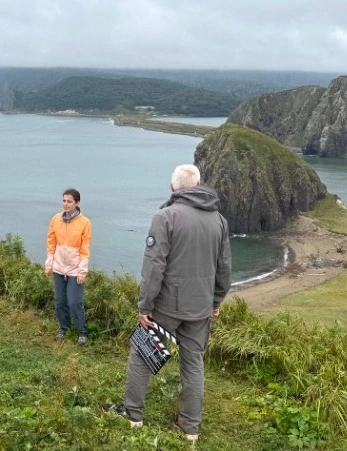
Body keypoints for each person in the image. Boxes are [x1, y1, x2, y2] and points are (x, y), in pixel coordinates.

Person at [106, 164, 231, 442]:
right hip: (200, 307)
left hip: (166, 306)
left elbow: (154, 266)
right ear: (198, 185)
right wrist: (217, 299)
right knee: (193, 362)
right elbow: (224, 266)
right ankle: (190, 428)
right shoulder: (219, 220)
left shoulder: (165, 216)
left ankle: (133, 415)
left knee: (141, 355)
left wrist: (144, 306)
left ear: (173, 188)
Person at [45, 188, 92, 345]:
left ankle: (82, 332)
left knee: (74, 302)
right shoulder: (56, 219)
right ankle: (64, 330)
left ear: (77, 203)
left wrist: (82, 271)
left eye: (69, 201)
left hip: (75, 269)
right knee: (60, 302)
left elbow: (85, 249)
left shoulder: (85, 222)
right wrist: (49, 263)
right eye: (64, 200)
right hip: (59, 267)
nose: (66, 204)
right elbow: (51, 242)